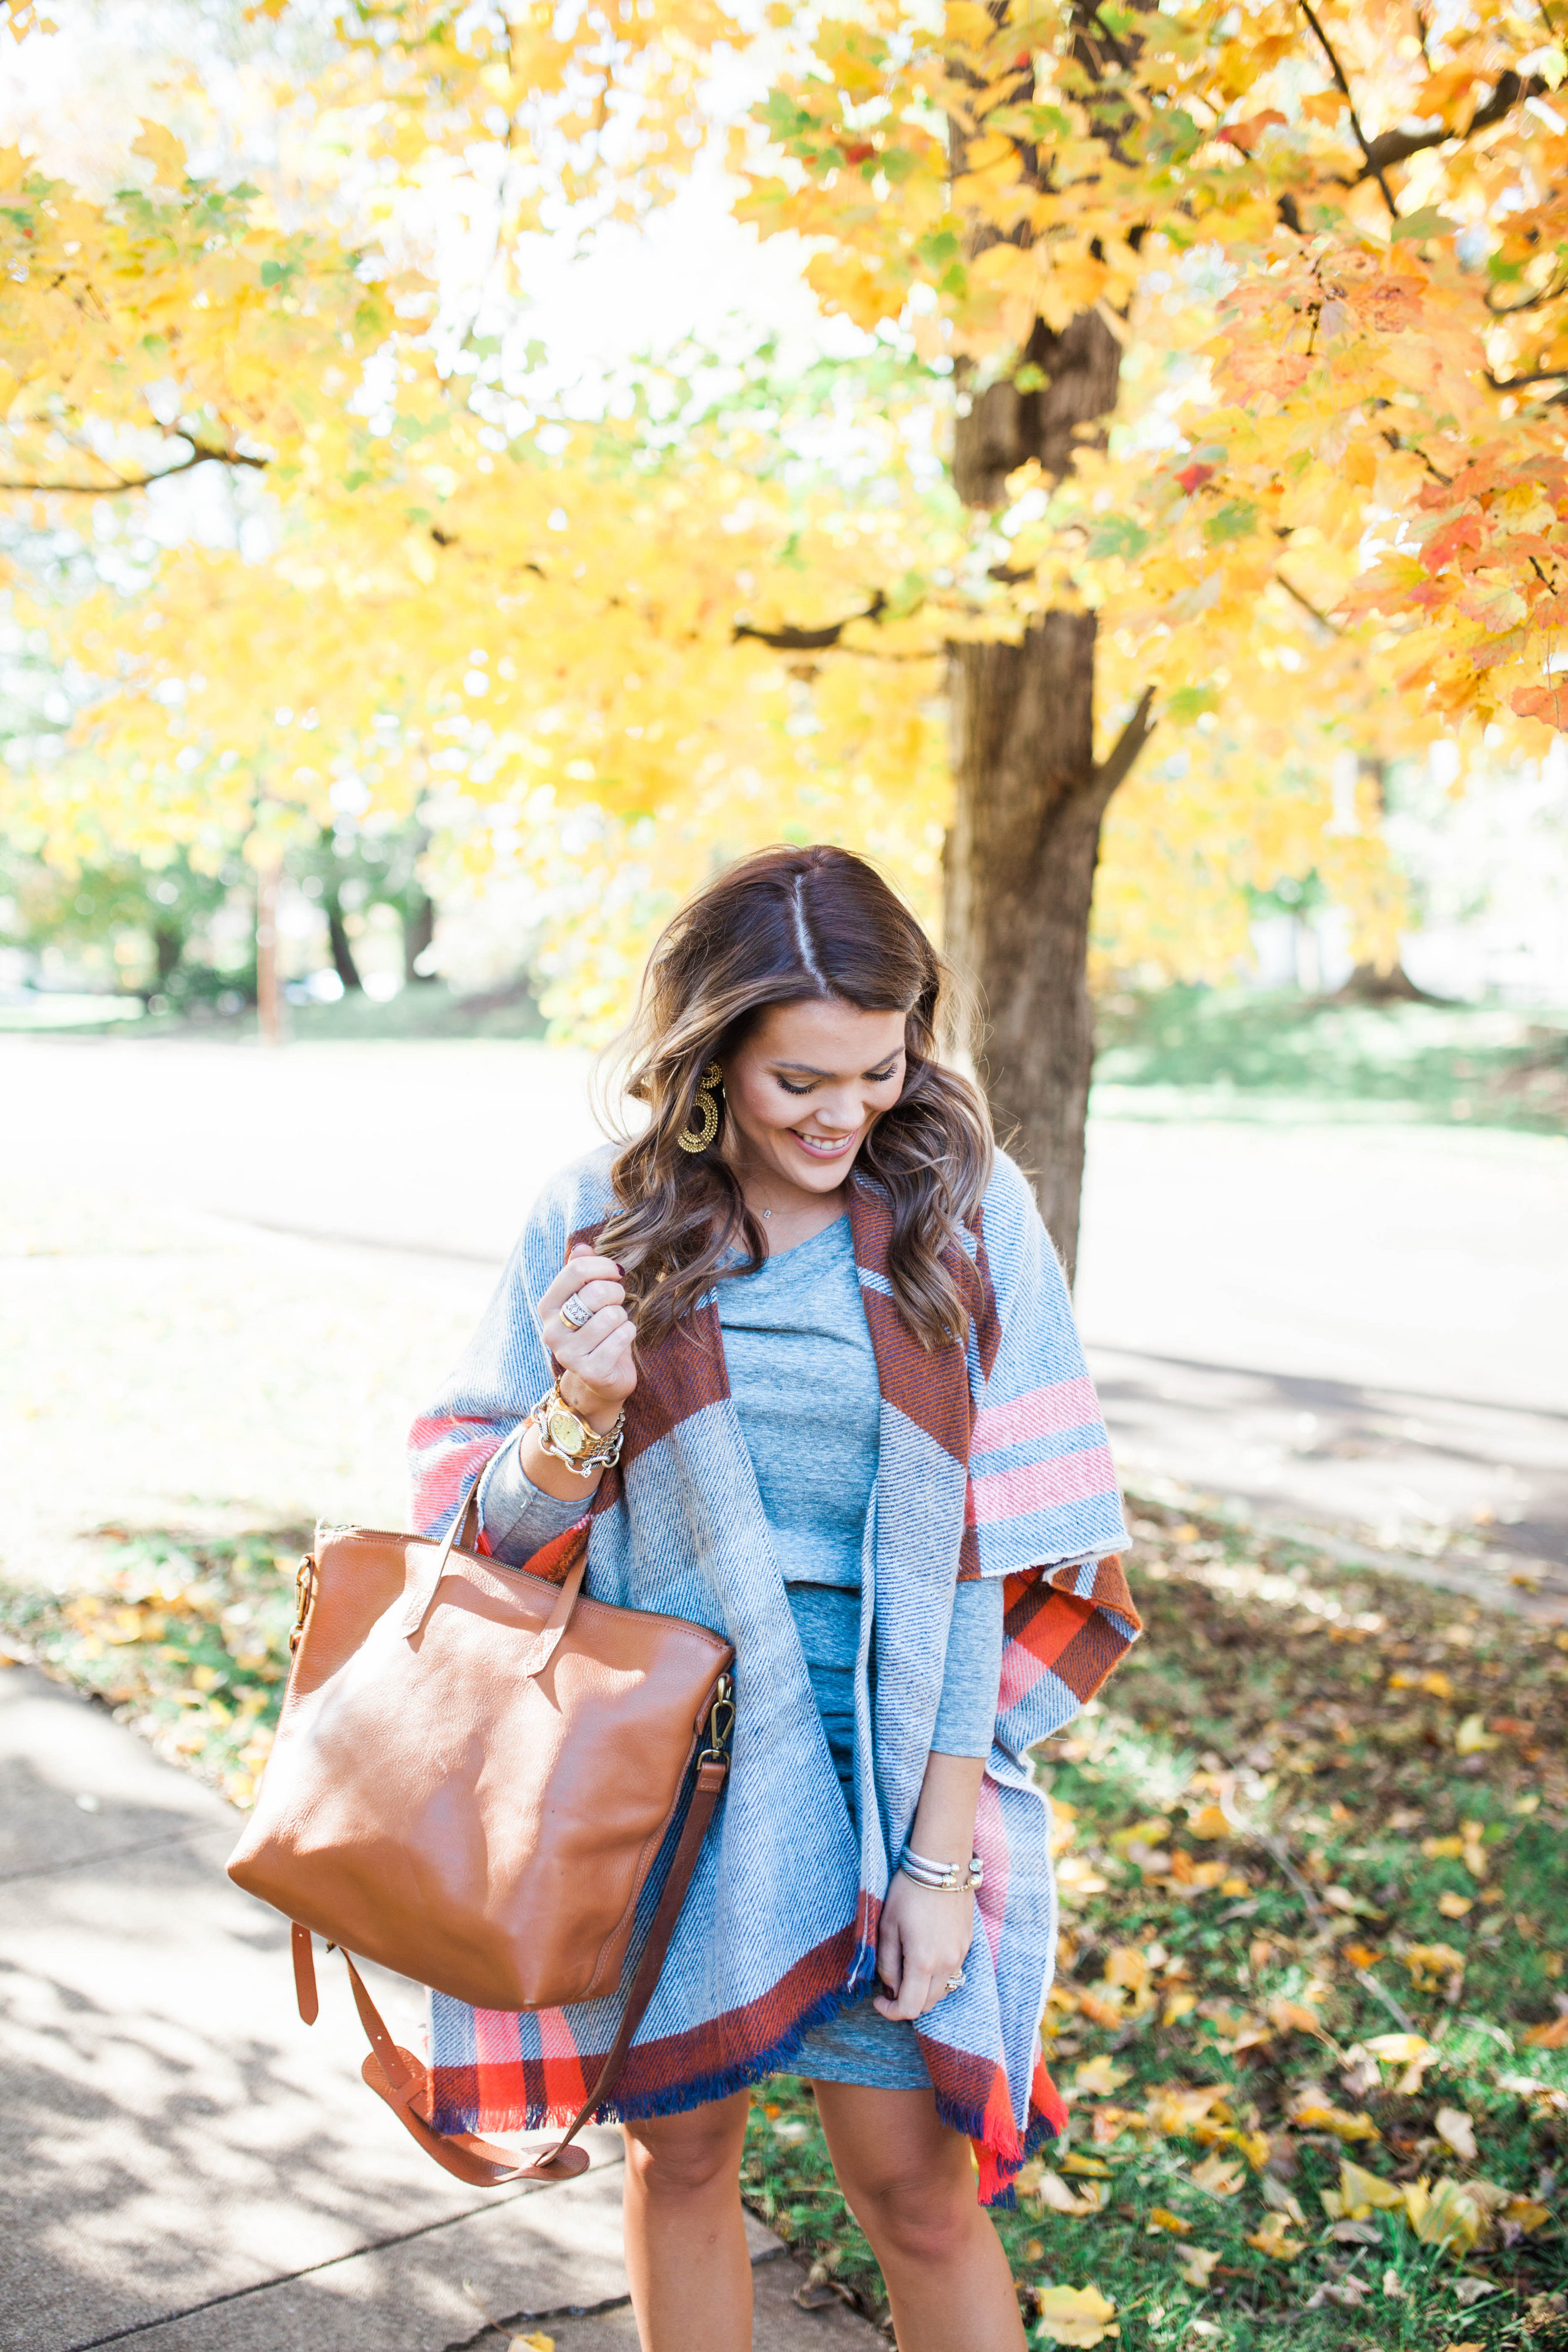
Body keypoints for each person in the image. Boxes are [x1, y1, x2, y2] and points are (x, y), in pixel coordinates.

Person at [409, 845, 1138, 2352]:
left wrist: (937, 1865)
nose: (844, 1112)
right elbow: (484, 1541)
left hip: (888, 1769)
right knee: (680, 2152)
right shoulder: (594, 1219)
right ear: (708, 1056)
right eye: (799, 1077)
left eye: (879, 1069)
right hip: (659, 1773)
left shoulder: (962, 1206)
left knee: (917, 2193)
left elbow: (997, 1562)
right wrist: (577, 1406)